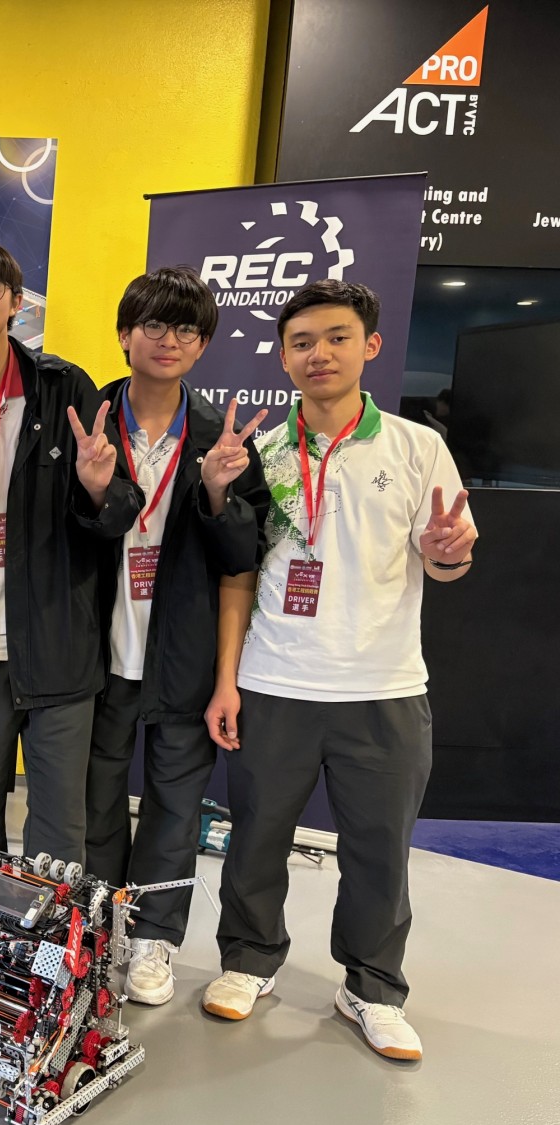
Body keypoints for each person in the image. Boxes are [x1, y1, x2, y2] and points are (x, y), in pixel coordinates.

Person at [202, 280, 476, 1061]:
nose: (318, 354)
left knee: (379, 851)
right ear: (282, 357)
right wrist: (227, 680)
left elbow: (447, 556)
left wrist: (448, 554)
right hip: (274, 682)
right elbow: (238, 576)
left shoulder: (417, 448)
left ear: (370, 346)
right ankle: (249, 961)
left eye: (336, 337)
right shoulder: (260, 453)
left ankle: (373, 987)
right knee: (256, 837)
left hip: (384, 687)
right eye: (302, 342)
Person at [0, 240, 142, 886]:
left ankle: (49, 949)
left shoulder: (63, 388)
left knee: (59, 836)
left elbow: (118, 509)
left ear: (16, 303)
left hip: (60, 650)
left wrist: (97, 486)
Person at [81, 267, 270, 1005]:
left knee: (175, 805)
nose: (169, 340)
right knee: (95, 802)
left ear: (203, 344)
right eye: (154, 325)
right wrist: (94, 486)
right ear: (125, 335)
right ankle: (100, 930)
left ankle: (155, 940)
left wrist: (219, 490)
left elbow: (241, 560)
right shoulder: (86, 422)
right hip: (95, 656)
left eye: (186, 329)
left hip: (183, 657)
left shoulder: (221, 439)